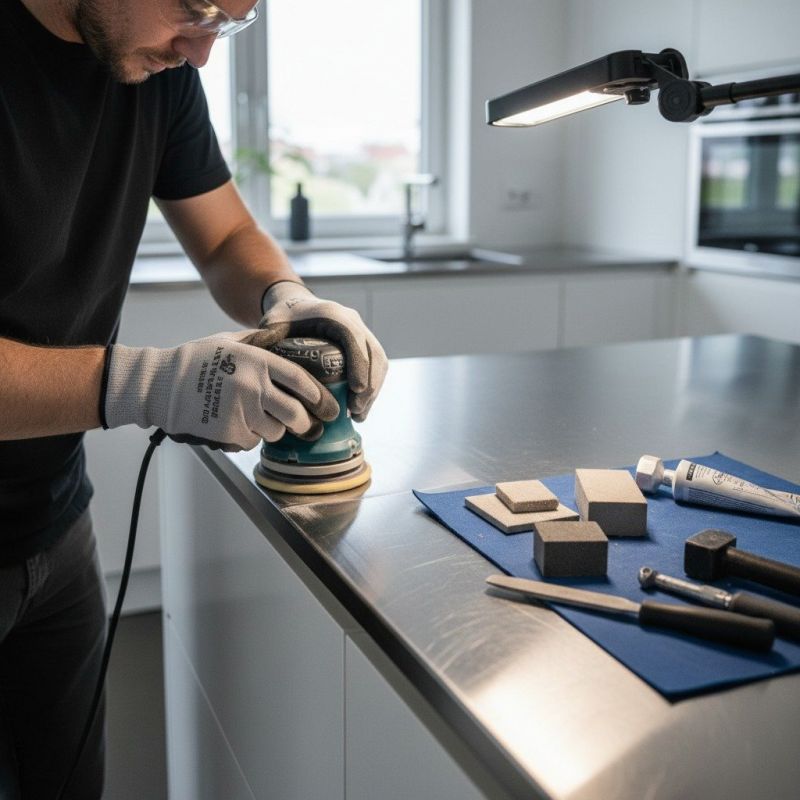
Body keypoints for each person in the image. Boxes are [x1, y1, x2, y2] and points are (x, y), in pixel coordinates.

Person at [0, 1, 388, 796]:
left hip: (54, 519)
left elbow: (221, 238)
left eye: (231, 23)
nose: (203, 51)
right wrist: (146, 384)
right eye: (196, 7)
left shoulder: (155, 68)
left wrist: (286, 295)